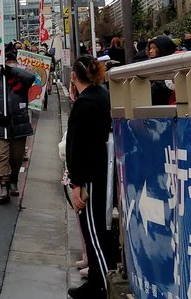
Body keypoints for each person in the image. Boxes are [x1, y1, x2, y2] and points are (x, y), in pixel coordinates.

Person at [65, 55, 117, 299]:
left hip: (90, 176)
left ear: (74, 75)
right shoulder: (101, 95)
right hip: (100, 171)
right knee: (96, 228)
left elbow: (77, 146)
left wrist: (76, 184)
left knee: (94, 231)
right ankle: (96, 283)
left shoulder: (85, 103)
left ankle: (101, 286)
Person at [0, 54, 37, 204]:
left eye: (13, 63)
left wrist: (12, 71)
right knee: (2, 156)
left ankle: (14, 180)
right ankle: (4, 186)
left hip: (19, 125)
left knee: (17, 157)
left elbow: (31, 78)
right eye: (8, 63)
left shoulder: (21, 80)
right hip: (1, 126)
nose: (11, 65)